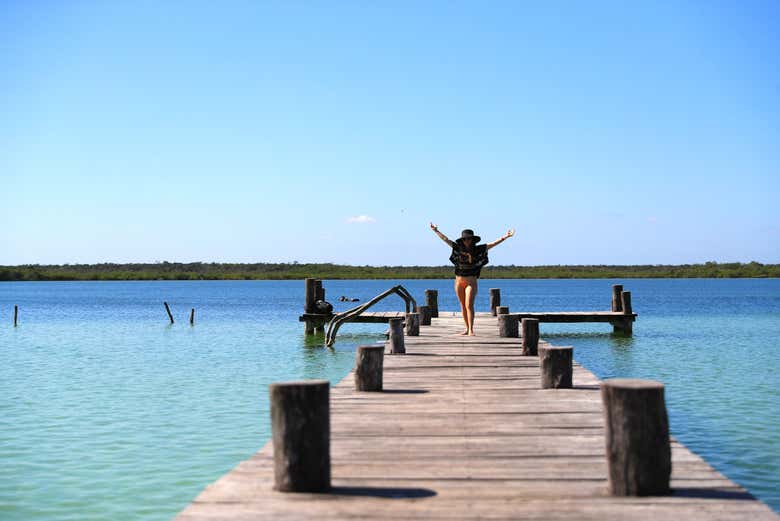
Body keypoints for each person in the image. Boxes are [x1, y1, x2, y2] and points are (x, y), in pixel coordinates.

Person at [429, 224, 515, 336]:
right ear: (462, 240)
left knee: (469, 305)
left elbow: (492, 244)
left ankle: (471, 329)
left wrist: (506, 236)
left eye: (469, 238)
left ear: (473, 239)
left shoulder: (478, 249)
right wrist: (436, 230)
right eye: (465, 239)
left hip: (471, 282)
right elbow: (446, 239)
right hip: (459, 282)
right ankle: (466, 329)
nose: (467, 241)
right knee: (463, 305)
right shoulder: (458, 248)